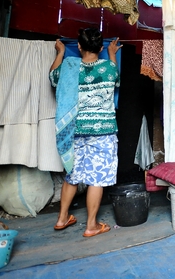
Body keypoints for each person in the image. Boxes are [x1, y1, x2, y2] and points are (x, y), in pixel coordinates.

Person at [49, 27, 122, 237]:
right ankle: (91, 226)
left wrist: (61, 52)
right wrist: (111, 53)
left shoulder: (69, 68)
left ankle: (62, 218)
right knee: (96, 178)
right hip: (104, 131)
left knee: (72, 174)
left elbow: (53, 78)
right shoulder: (109, 68)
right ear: (100, 47)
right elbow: (115, 80)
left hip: (76, 129)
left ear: (79, 46)